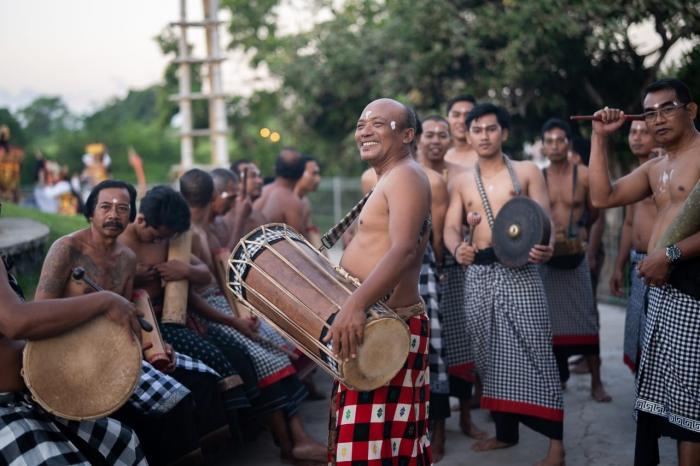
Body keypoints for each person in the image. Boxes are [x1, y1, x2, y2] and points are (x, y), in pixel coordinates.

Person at [34, 179, 227, 465]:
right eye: (106, 207)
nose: (114, 214)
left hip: (113, 351)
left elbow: (123, 319)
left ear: (132, 215)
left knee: (192, 388)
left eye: (122, 208)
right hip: (70, 353)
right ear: (91, 212)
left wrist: (155, 348)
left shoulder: (126, 257)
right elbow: (41, 312)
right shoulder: (66, 249)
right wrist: (95, 306)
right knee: (167, 403)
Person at [587, 78, 700, 466]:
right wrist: (600, 138)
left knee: (691, 404)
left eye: (667, 108)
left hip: (693, 285)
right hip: (660, 288)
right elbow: (602, 197)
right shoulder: (656, 168)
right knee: (659, 397)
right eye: (650, 113)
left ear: (691, 110)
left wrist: (669, 253)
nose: (657, 119)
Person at [444, 103, 564, 465]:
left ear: (504, 133)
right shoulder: (462, 180)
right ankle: (505, 433)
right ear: (468, 134)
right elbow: (451, 226)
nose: (484, 135)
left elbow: (545, 219)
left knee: (538, 353)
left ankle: (556, 447)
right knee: (487, 356)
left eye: (491, 129)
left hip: (522, 272)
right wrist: (457, 247)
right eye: (476, 129)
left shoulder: (526, 171)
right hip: (479, 274)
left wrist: (549, 247)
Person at [324, 98, 432, 465]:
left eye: (378, 123)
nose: (365, 130)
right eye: (360, 124)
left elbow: (403, 250)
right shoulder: (388, 178)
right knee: (375, 446)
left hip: (389, 325)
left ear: (406, 135)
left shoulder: (406, 176)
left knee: (379, 450)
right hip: (375, 323)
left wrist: (354, 304)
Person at [0, 237, 146, 463]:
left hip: (26, 396)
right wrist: (104, 301)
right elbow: (15, 322)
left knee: (124, 442)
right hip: (7, 407)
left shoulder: (127, 257)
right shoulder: (66, 248)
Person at [537, 118, 611, 402]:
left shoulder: (583, 174)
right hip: (548, 258)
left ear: (568, 143)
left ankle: (597, 382)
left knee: (586, 320)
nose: (555, 145)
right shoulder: (538, 177)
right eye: (550, 141)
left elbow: (596, 214)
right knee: (548, 323)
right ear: (543, 146)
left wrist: (589, 249)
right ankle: (557, 378)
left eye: (560, 140)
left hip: (576, 255)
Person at [608, 121, 658, 372]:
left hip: (660, 265)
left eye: (644, 132)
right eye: (633, 132)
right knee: (638, 334)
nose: (637, 138)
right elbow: (628, 224)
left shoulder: (666, 170)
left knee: (658, 341)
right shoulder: (634, 174)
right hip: (637, 263)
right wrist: (619, 266)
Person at [253, 149, 307, 234]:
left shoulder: (262, 191)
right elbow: (298, 243)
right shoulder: (291, 201)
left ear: (275, 168)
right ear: (302, 173)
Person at [294, 156, 324, 248]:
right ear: (299, 173)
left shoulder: (304, 200)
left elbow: (310, 231)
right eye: (314, 173)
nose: (318, 179)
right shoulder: (290, 201)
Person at [444, 95, 478, 167]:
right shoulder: (441, 156)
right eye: (456, 115)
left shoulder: (485, 156)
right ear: (447, 120)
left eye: (468, 115)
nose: (462, 121)